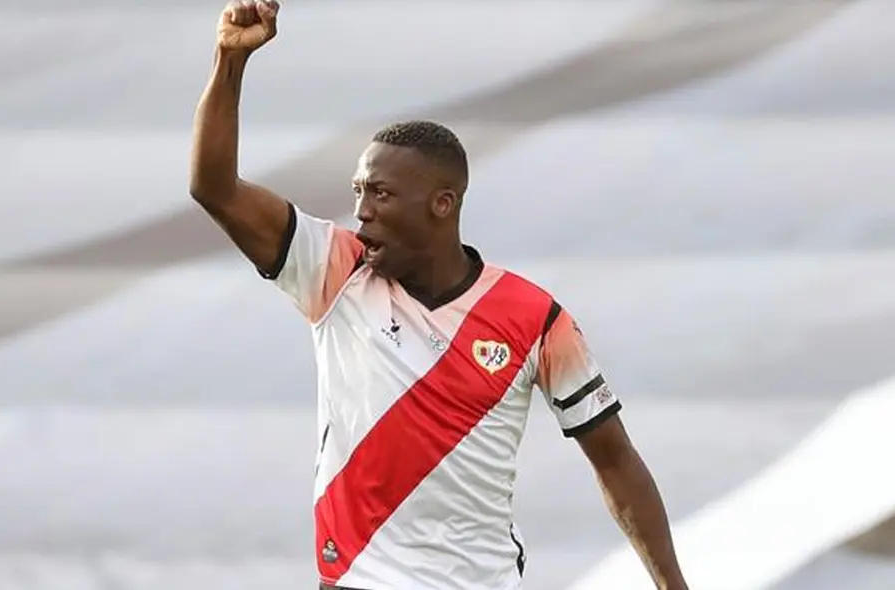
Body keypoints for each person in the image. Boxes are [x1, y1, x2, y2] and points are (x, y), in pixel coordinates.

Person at [189, 1, 690, 589]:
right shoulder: (335, 271)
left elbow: (615, 460)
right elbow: (213, 187)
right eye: (358, 191)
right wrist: (230, 59)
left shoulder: (534, 318)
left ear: (441, 203)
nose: (361, 211)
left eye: (380, 194)